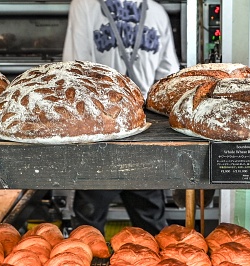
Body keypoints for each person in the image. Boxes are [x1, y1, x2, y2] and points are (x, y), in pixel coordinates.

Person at [63, 0, 180, 235]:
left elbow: (73, 71)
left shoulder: (85, 5)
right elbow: (169, 81)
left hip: (99, 135)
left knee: (88, 229)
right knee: (152, 227)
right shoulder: (156, 12)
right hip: (142, 132)